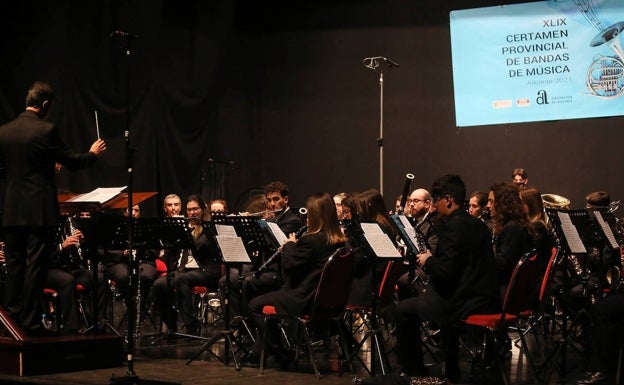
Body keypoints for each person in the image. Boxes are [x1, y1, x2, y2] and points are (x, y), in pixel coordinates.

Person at [0, 81, 107, 336]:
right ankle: (31, 324)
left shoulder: (4, 130)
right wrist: (92, 153)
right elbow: (72, 161)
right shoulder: (46, 129)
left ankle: (11, 322)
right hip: (38, 210)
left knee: (15, 266)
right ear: (45, 105)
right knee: (35, 267)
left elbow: (8, 168)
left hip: (13, 208)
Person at [394, 174, 500, 381]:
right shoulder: (478, 224)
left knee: (402, 310)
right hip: (483, 297)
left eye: (436, 200)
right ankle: (450, 368)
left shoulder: (454, 226)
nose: (434, 205)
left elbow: (445, 272)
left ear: (449, 200)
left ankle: (414, 371)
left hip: (463, 301)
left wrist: (428, 260)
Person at [245, 192, 347, 368]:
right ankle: (264, 350)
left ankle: (281, 352)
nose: (306, 217)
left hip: (303, 299)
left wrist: (290, 245)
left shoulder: (312, 241)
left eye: (309, 213)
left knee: (255, 305)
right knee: (268, 300)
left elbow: (289, 268)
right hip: (324, 299)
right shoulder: (339, 241)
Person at [152, 194, 221, 335]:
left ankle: (191, 325)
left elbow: (199, 247)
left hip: (205, 270)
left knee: (181, 279)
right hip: (183, 270)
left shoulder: (209, 227)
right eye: (189, 210)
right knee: (159, 285)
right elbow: (173, 252)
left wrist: (184, 232)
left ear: (202, 210)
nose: (192, 212)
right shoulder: (186, 226)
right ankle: (171, 324)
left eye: (195, 209)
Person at [46, 217, 110, 334]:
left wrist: (82, 242)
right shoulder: (47, 225)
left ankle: (98, 324)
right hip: (50, 268)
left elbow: (82, 254)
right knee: (67, 280)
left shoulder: (71, 223)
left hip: (70, 267)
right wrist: (62, 246)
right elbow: (42, 255)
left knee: (99, 279)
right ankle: (71, 328)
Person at [102, 204, 158, 323]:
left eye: (136, 210)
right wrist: (123, 252)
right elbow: (107, 250)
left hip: (144, 260)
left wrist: (139, 250)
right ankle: (133, 308)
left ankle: (141, 307)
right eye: (130, 209)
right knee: (124, 276)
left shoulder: (148, 227)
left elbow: (154, 251)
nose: (133, 212)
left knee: (146, 276)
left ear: (140, 213)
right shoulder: (115, 227)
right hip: (119, 262)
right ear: (124, 212)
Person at [488, 181, 533, 299]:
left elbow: (503, 266)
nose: (488, 205)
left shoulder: (512, 228)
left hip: (509, 293)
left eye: (491, 201)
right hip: (510, 289)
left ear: (502, 204)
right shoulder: (513, 225)